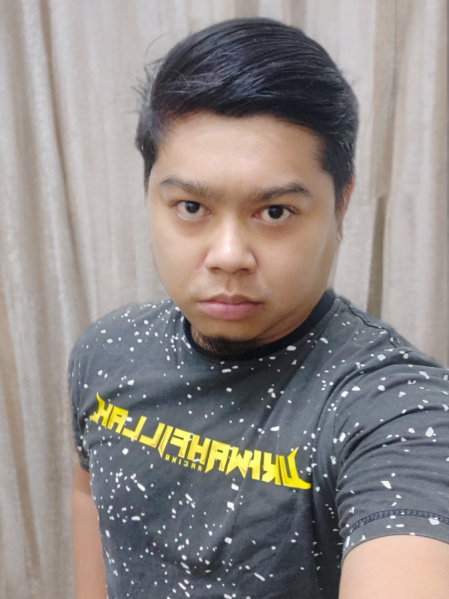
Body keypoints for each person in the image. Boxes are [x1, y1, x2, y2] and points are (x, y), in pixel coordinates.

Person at [69, 17, 449, 599]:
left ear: (340, 206)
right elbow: (87, 495)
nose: (228, 256)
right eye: (191, 207)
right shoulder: (106, 350)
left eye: (274, 212)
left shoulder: (394, 409)